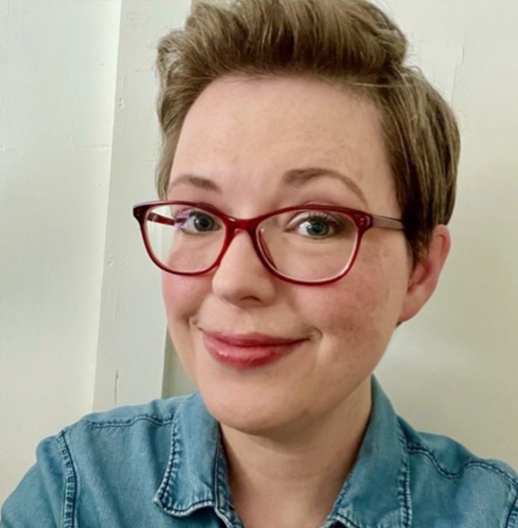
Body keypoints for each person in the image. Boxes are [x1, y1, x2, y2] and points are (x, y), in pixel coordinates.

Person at [2, 0, 517, 526]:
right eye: (200, 219)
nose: (233, 281)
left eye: (315, 224)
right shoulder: (78, 491)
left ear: (419, 270)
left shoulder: (495, 514)